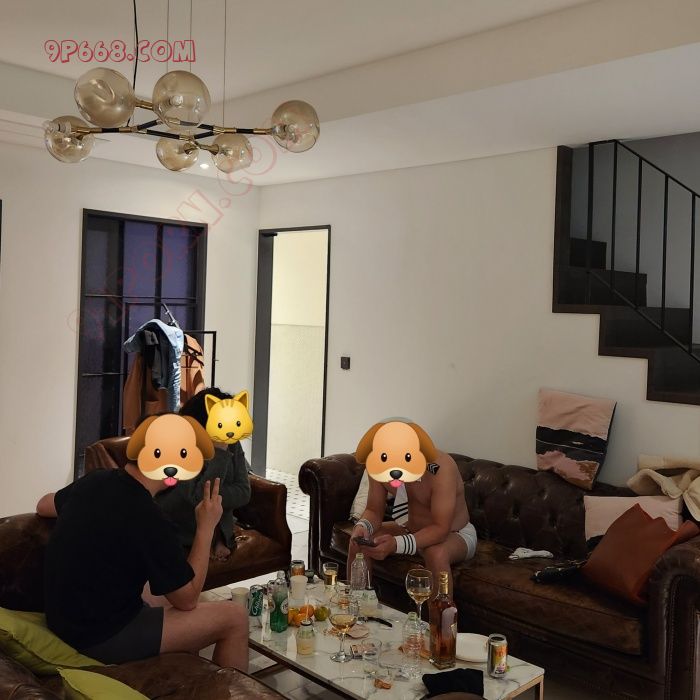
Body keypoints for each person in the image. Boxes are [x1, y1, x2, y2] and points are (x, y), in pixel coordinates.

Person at [36, 421, 249, 670]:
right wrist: (206, 527)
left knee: (161, 592)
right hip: (98, 636)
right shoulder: (149, 517)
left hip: (63, 620)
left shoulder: (95, 479)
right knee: (235, 617)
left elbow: (43, 505)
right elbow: (188, 599)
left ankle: (184, 675)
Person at [348, 425, 476, 596]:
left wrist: (397, 544)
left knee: (435, 553)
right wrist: (363, 526)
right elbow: (374, 510)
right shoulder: (378, 462)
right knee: (359, 541)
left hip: (454, 533)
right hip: (409, 527)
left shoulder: (441, 468)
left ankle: (441, 614)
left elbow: (441, 529)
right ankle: (355, 606)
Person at [156, 387, 252, 561]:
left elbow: (244, 492)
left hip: (218, 527)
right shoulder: (179, 445)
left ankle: (218, 540)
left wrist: (209, 495)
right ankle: (213, 542)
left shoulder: (230, 441)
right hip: (180, 530)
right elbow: (196, 499)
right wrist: (220, 454)